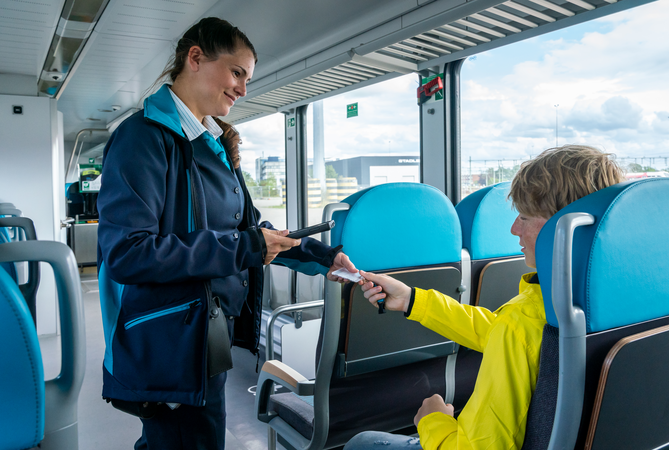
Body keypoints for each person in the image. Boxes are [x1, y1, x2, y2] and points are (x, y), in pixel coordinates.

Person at [97, 17, 356, 450]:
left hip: (206, 333)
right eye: (237, 73)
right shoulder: (141, 139)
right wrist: (245, 247)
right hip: (170, 339)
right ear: (194, 58)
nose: (243, 89)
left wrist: (321, 256)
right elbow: (128, 253)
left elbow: (249, 231)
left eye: (248, 79)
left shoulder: (213, 144)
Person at [345, 145, 625, 450]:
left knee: (363, 442)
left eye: (525, 216)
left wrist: (433, 419)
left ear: (563, 227)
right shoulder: (610, 299)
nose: (514, 228)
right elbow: (504, 333)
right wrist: (413, 300)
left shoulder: (525, 320)